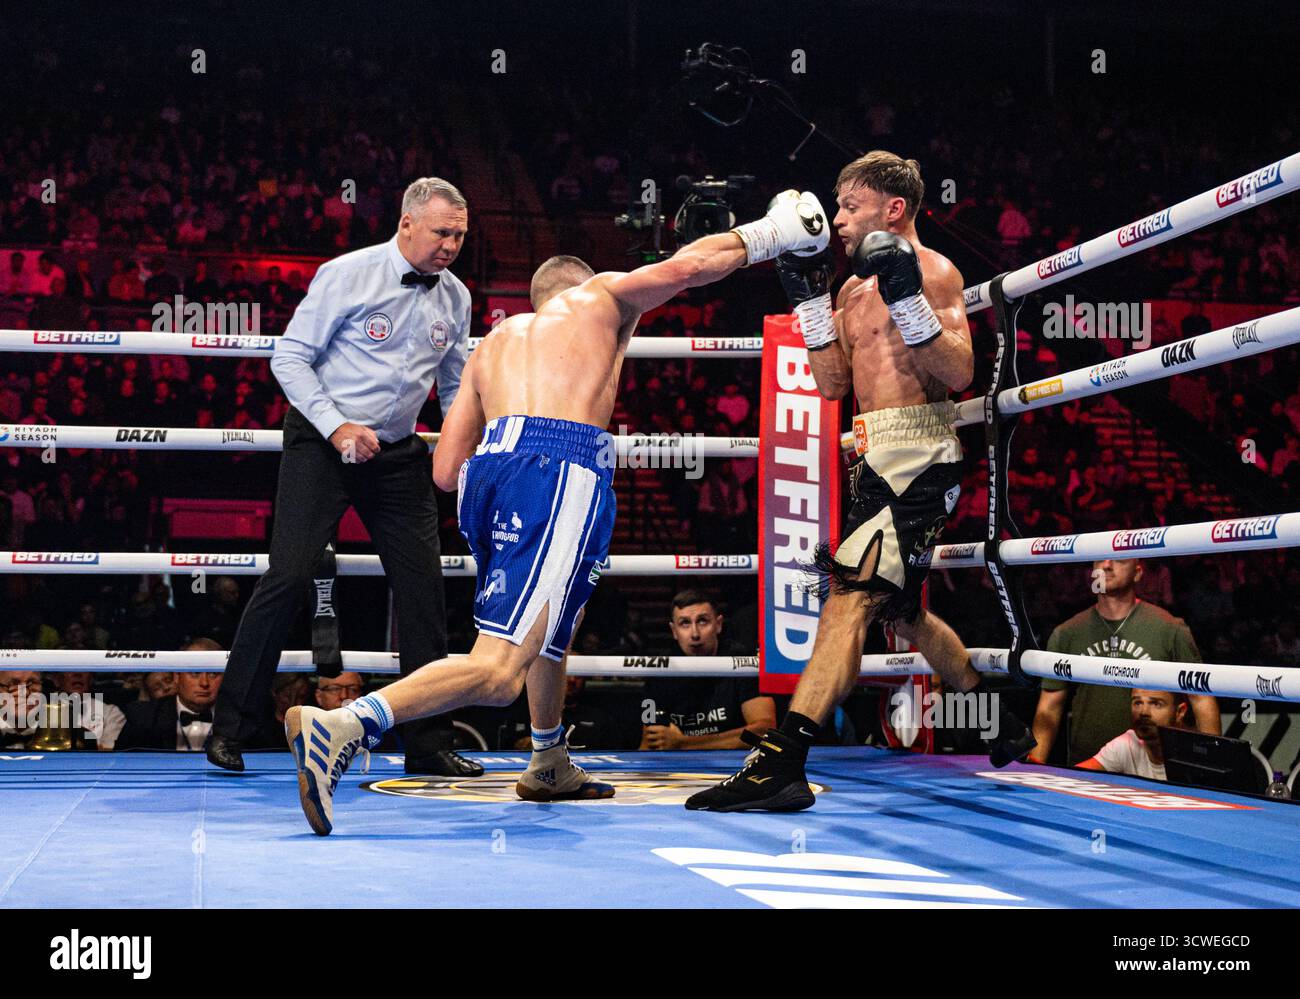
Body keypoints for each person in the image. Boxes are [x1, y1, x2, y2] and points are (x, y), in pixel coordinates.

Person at [285, 188, 830, 834]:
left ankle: (547, 758)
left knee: (549, 623)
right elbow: (687, 269)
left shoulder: (493, 344)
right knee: (498, 669)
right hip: (557, 465)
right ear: (581, 287)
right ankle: (344, 723)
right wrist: (772, 231)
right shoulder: (599, 298)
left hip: (490, 475)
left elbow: (444, 469)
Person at [689, 151, 1035, 813]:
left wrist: (907, 296)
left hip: (921, 453)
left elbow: (960, 370)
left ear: (893, 208)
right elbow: (831, 384)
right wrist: (810, 308)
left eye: (850, 205)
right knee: (900, 614)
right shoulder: (849, 290)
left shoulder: (934, 271)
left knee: (847, 602)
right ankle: (1002, 724)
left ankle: (782, 761)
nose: (838, 219)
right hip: (871, 458)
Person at [207, 178, 477, 777]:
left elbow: (457, 386)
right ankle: (231, 729)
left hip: (400, 452)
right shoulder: (347, 273)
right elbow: (290, 357)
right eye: (442, 232)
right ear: (407, 224)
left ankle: (428, 742)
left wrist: (460, 452)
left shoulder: (455, 297)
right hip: (322, 443)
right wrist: (336, 427)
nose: (452, 245)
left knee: (423, 588)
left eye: (459, 234)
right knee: (290, 575)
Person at [1030, 558, 1220, 765]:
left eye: (1118, 559)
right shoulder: (1067, 633)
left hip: (1153, 771)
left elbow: (1201, 700)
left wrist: (1212, 768)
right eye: (1099, 559)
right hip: (1086, 768)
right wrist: (1034, 766)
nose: (1107, 565)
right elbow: (1049, 707)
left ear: (1138, 573)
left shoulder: (1169, 629)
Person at [640, 590, 776, 750]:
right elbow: (649, 742)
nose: (695, 634)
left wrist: (685, 743)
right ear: (674, 631)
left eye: (703, 621)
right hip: (678, 768)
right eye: (685, 623)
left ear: (718, 624)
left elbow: (765, 731)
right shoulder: (660, 670)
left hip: (737, 765)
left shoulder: (743, 662)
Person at [1076, 689, 1189, 781]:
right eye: (1137, 703)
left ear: (1180, 712)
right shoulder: (1126, 744)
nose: (1143, 712)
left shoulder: (1193, 754)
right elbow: (1069, 778)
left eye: (1156, 704)